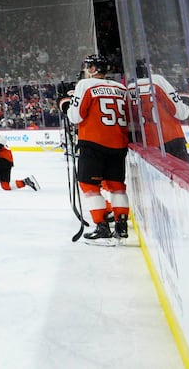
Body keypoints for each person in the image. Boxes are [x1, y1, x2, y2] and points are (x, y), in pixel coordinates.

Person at [66, 53, 131, 243]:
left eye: (88, 66)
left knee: (89, 185)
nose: (86, 70)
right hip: (118, 143)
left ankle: (102, 226)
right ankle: (122, 226)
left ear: (94, 69)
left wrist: (67, 103)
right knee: (117, 187)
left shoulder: (85, 85)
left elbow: (75, 117)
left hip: (93, 143)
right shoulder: (121, 88)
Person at [132, 60, 189, 163]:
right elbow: (181, 113)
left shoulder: (131, 86)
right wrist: (187, 106)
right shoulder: (157, 81)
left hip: (149, 142)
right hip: (171, 138)